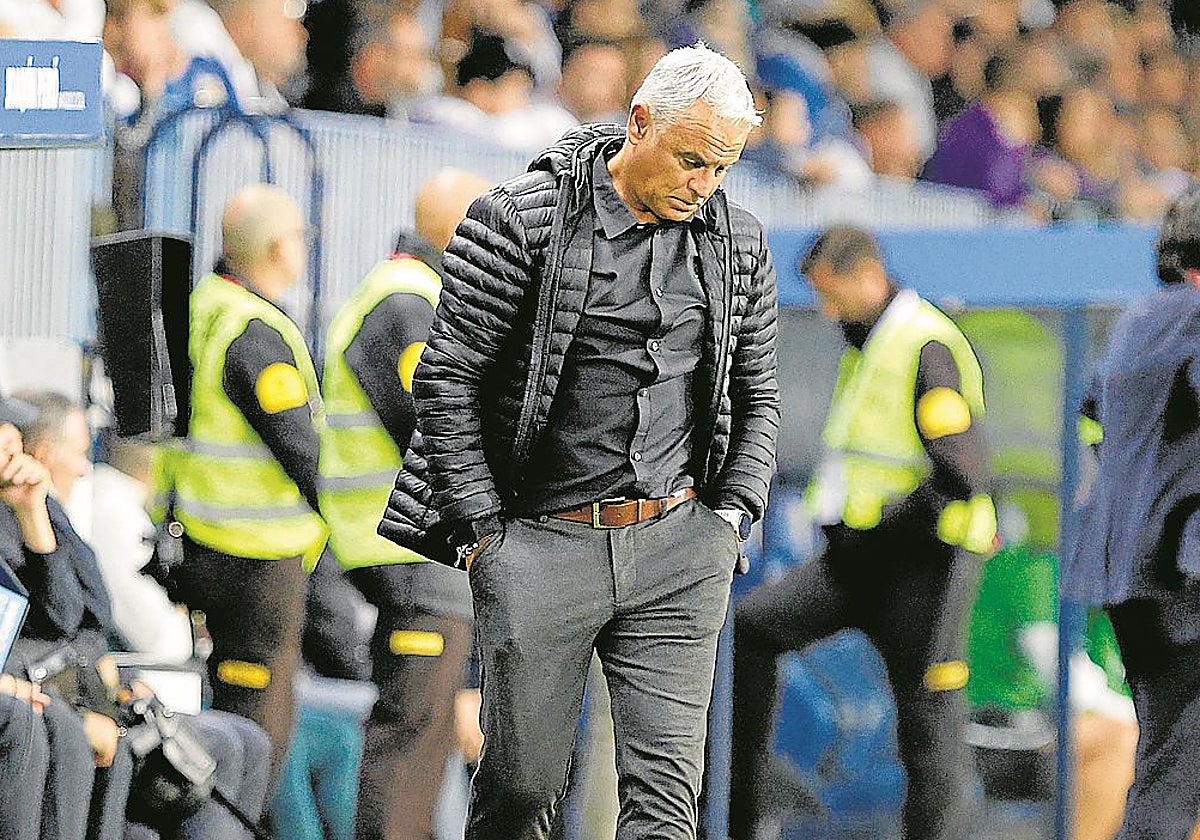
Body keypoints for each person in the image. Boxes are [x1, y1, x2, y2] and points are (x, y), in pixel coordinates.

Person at [385, 42, 779, 840]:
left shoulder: (738, 241)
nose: (704, 186)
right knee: (523, 792)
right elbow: (446, 379)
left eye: (723, 169)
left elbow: (757, 394)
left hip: (680, 548)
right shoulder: (516, 219)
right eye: (692, 160)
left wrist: (731, 516)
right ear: (640, 124)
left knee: (667, 804)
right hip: (538, 545)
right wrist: (484, 536)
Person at [729, 225, 996, 840]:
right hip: (861, 561)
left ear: (868, 274)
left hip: (926, 565)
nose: (826, 310)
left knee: (928, 721)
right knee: (751, 628)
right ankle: (743, 812)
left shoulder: (924, 342)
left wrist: (890, 530)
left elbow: (962, 473)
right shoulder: (869, 341)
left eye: (832, 294)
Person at [16, 392, 274, 840]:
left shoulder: (56, 514)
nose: (84, 467)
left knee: (250, 739)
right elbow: (61, 615)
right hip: (66, 707)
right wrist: (33, 512)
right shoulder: (34, 516)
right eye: (79, 452)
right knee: (222, 749)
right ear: (42, 454)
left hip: (103, 695)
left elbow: (88, 614)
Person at [319, 167, 490, 840]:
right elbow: (443, 420)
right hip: (408, 544)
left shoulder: (413, 294)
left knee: (427, 735)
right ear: (459, 233)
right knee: (410, 734)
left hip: (410, 545)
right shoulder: (408, 302)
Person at [158, 183, 327, 779]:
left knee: (225, 710)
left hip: (201, 538)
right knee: (258, 729)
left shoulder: (203, 305)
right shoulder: (256, 331)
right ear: (279, 248)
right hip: (259, 559)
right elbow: (304, 449)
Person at [1064, 186, 1200, 839]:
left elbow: (1094, 415)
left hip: (1125, 573)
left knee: (1165, 759)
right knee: (1175, 774)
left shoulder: (1138, 320)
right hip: (1185, 577)